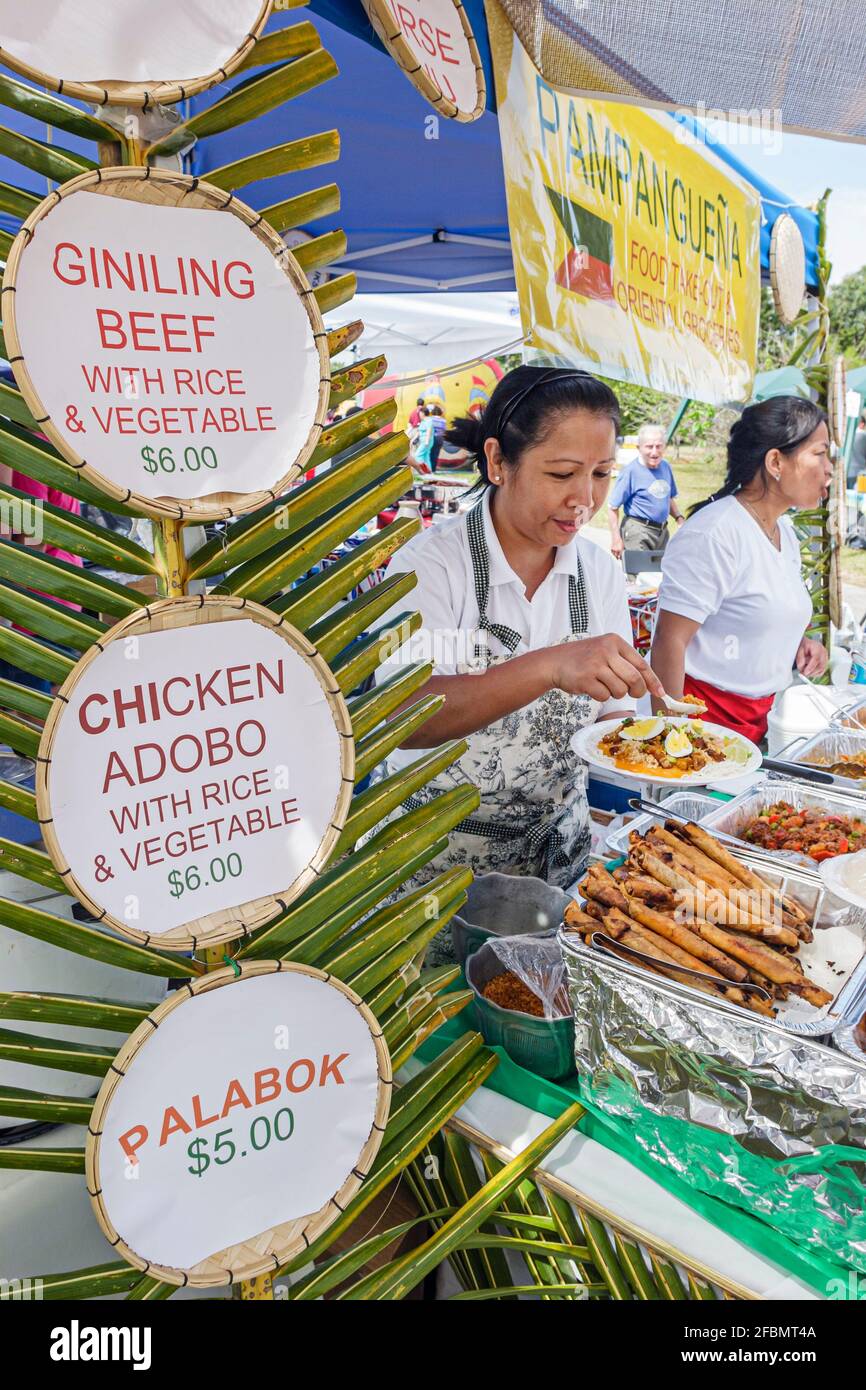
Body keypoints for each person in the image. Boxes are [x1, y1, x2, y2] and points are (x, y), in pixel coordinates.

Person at [376, 366, 663, 961]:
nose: (583, 498)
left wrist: (646, 741)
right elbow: (404, 715)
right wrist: (549, 666)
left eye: (603, 474)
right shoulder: (433, 565)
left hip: (559, 866)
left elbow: (610, 716)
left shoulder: (598, 571)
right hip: (441, 872)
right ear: (498, 460)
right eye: (561, 474)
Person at [650, 397, 831, 743]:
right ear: (776, 461)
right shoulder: (715, 533)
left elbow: (753, 610)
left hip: (758, 724)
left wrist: (796, 641)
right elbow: (668, 641)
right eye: (819, 454)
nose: (829, 468)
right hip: (701, 724)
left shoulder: (785, 533)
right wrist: (671, 740)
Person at [608, 423, 683, 566]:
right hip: (638, 531)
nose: (654, 452)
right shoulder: (630, 472)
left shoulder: (666, 467)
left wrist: (679, 517)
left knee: (659, 578)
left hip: (661, 532)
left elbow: (667, 496)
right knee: (638, 580)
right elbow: (612, 508)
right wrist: (616, 539)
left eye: (659, 446)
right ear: (639, 448)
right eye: (649, 446)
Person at [412, 406, 435, 473]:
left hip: (426, 441)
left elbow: (429, 431)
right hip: (423, 441)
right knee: (426, 456)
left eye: (420, 413)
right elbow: (419, 432)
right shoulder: (423, 421)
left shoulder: (429, 420)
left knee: (418, 455)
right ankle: (429, 472)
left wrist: (427, 441)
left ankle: (422, 471)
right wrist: (413, 439)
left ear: (423, 413)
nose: (419, 415)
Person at [429, 404, 447, 472]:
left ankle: (429, 469)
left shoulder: (430, 419)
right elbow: (444, 431)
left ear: (433, 412)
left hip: (432, 438)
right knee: (436, 455)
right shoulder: (443, 421)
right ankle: (433, 469)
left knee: (430, 454)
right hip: (440, 439)